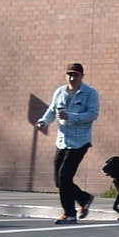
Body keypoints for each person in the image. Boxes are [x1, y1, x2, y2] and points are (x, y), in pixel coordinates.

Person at [36, 62, 99, 224]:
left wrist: (70, 116)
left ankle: (69, 214)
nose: (72, 78)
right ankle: (84, 198)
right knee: (59, 180)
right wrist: (43, 122)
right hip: (62, 141)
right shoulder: (60, 92)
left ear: (81, 76)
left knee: (64, 177)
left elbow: (93, 114)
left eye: (75, 75)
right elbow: (52, 110)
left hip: (80, 142)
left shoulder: (90, 93)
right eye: (69, 75)